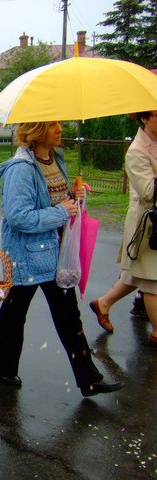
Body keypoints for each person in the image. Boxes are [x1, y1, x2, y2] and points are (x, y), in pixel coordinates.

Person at [0, 121, 125, 397]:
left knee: (68, 317)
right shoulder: (20, 169)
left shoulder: (55, 158)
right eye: (52, 124)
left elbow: (57, 200)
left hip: (56, 253)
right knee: (15, 313)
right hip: (27, 257)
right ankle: (1, 366)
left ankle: (88, 379)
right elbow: (18, 216)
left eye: (59, 123)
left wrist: (75, 197)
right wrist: (62, 211)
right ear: (36, 130)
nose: (59, 128)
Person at [89, 110, 157, 345]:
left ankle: (104, 303)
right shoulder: (137, 151)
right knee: (152, 280)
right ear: (144, 118)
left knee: (136, 272)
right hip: (149, 226)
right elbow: (149, 194)